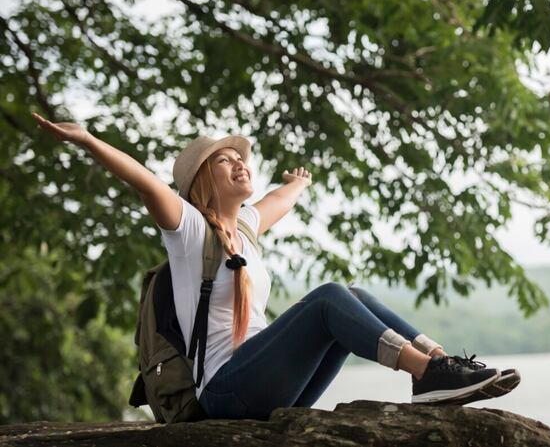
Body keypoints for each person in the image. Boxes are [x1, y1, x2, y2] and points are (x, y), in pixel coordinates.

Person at [32, 112, 520, 419]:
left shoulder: (243, 230)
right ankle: (427, 373)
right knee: (329, 297)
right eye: (225, 161)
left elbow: (276, 200)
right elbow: (146, 183)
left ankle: (435, 366)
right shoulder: (189, 232)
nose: (240, 163)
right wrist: (90, 141)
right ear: (201, 182)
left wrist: (300, 183)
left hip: (265, 390)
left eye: (241, 158)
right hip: (222, 395)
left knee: (352, 296)